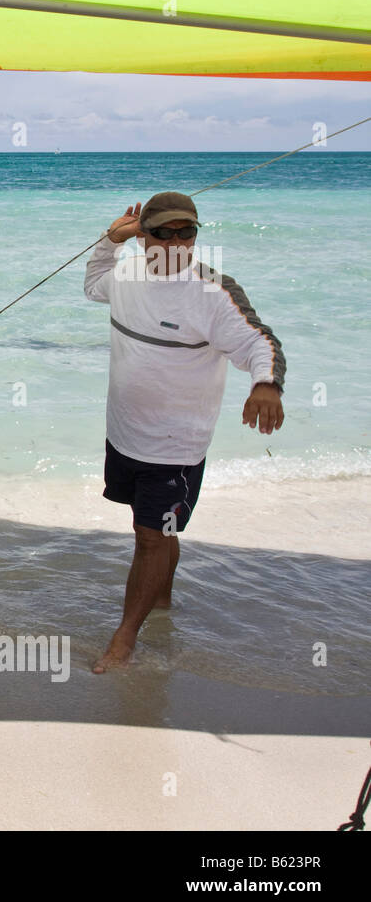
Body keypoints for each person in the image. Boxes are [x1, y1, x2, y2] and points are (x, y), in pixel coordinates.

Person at [83, 191, 286, 672]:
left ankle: (124, 639)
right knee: (152, 528)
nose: (176, 242)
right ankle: (162, 601)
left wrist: (266, 385)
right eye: (162, 232)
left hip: (177, 446)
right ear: (143, 236)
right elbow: (94, 284)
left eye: (187, 232)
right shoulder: (126, 275)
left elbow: (261, 342)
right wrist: (108, 242)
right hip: (125, 434)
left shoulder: (213, 293)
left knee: (150, 536)